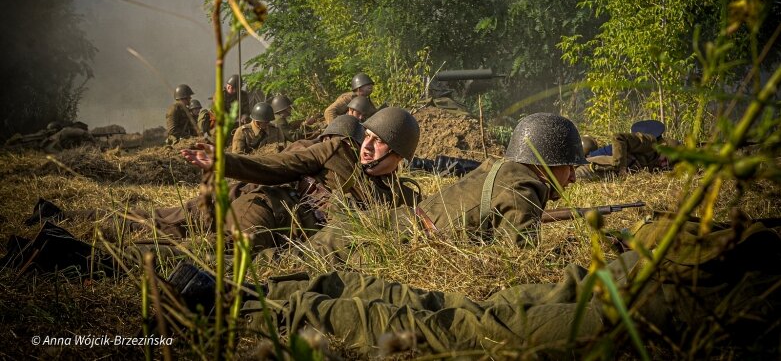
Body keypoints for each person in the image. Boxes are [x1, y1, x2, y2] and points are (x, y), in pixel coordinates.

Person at [232, 215, 781, 357]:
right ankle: (252, 306)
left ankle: (269, 295)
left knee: (464, 315)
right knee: (463, 329)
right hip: (694, 293)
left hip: (689, 277)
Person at [306, 113, 587, 261]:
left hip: (385, 226)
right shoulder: (524, 188)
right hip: (387, 239)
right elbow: (521, 263)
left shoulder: (498, 168)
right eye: (569, 167)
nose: (572, 177)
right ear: (546, 162)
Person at [181, 108, 422, 252]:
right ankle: (147, 258)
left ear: (398, 154)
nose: (366, 147)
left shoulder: (401, 196)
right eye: (366, 137)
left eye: (378, 142)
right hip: (270, 209)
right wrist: (226, 162)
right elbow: (279, 165)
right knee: (224, 249)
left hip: (300, 244)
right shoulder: (338, 149)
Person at [577, 119, 674, 180]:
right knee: (576, 176)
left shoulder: (662, 155)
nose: (665, 163)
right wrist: (621, 168)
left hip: (610, 162)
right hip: (594, 163)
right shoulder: (647, 143)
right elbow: (618, 139)